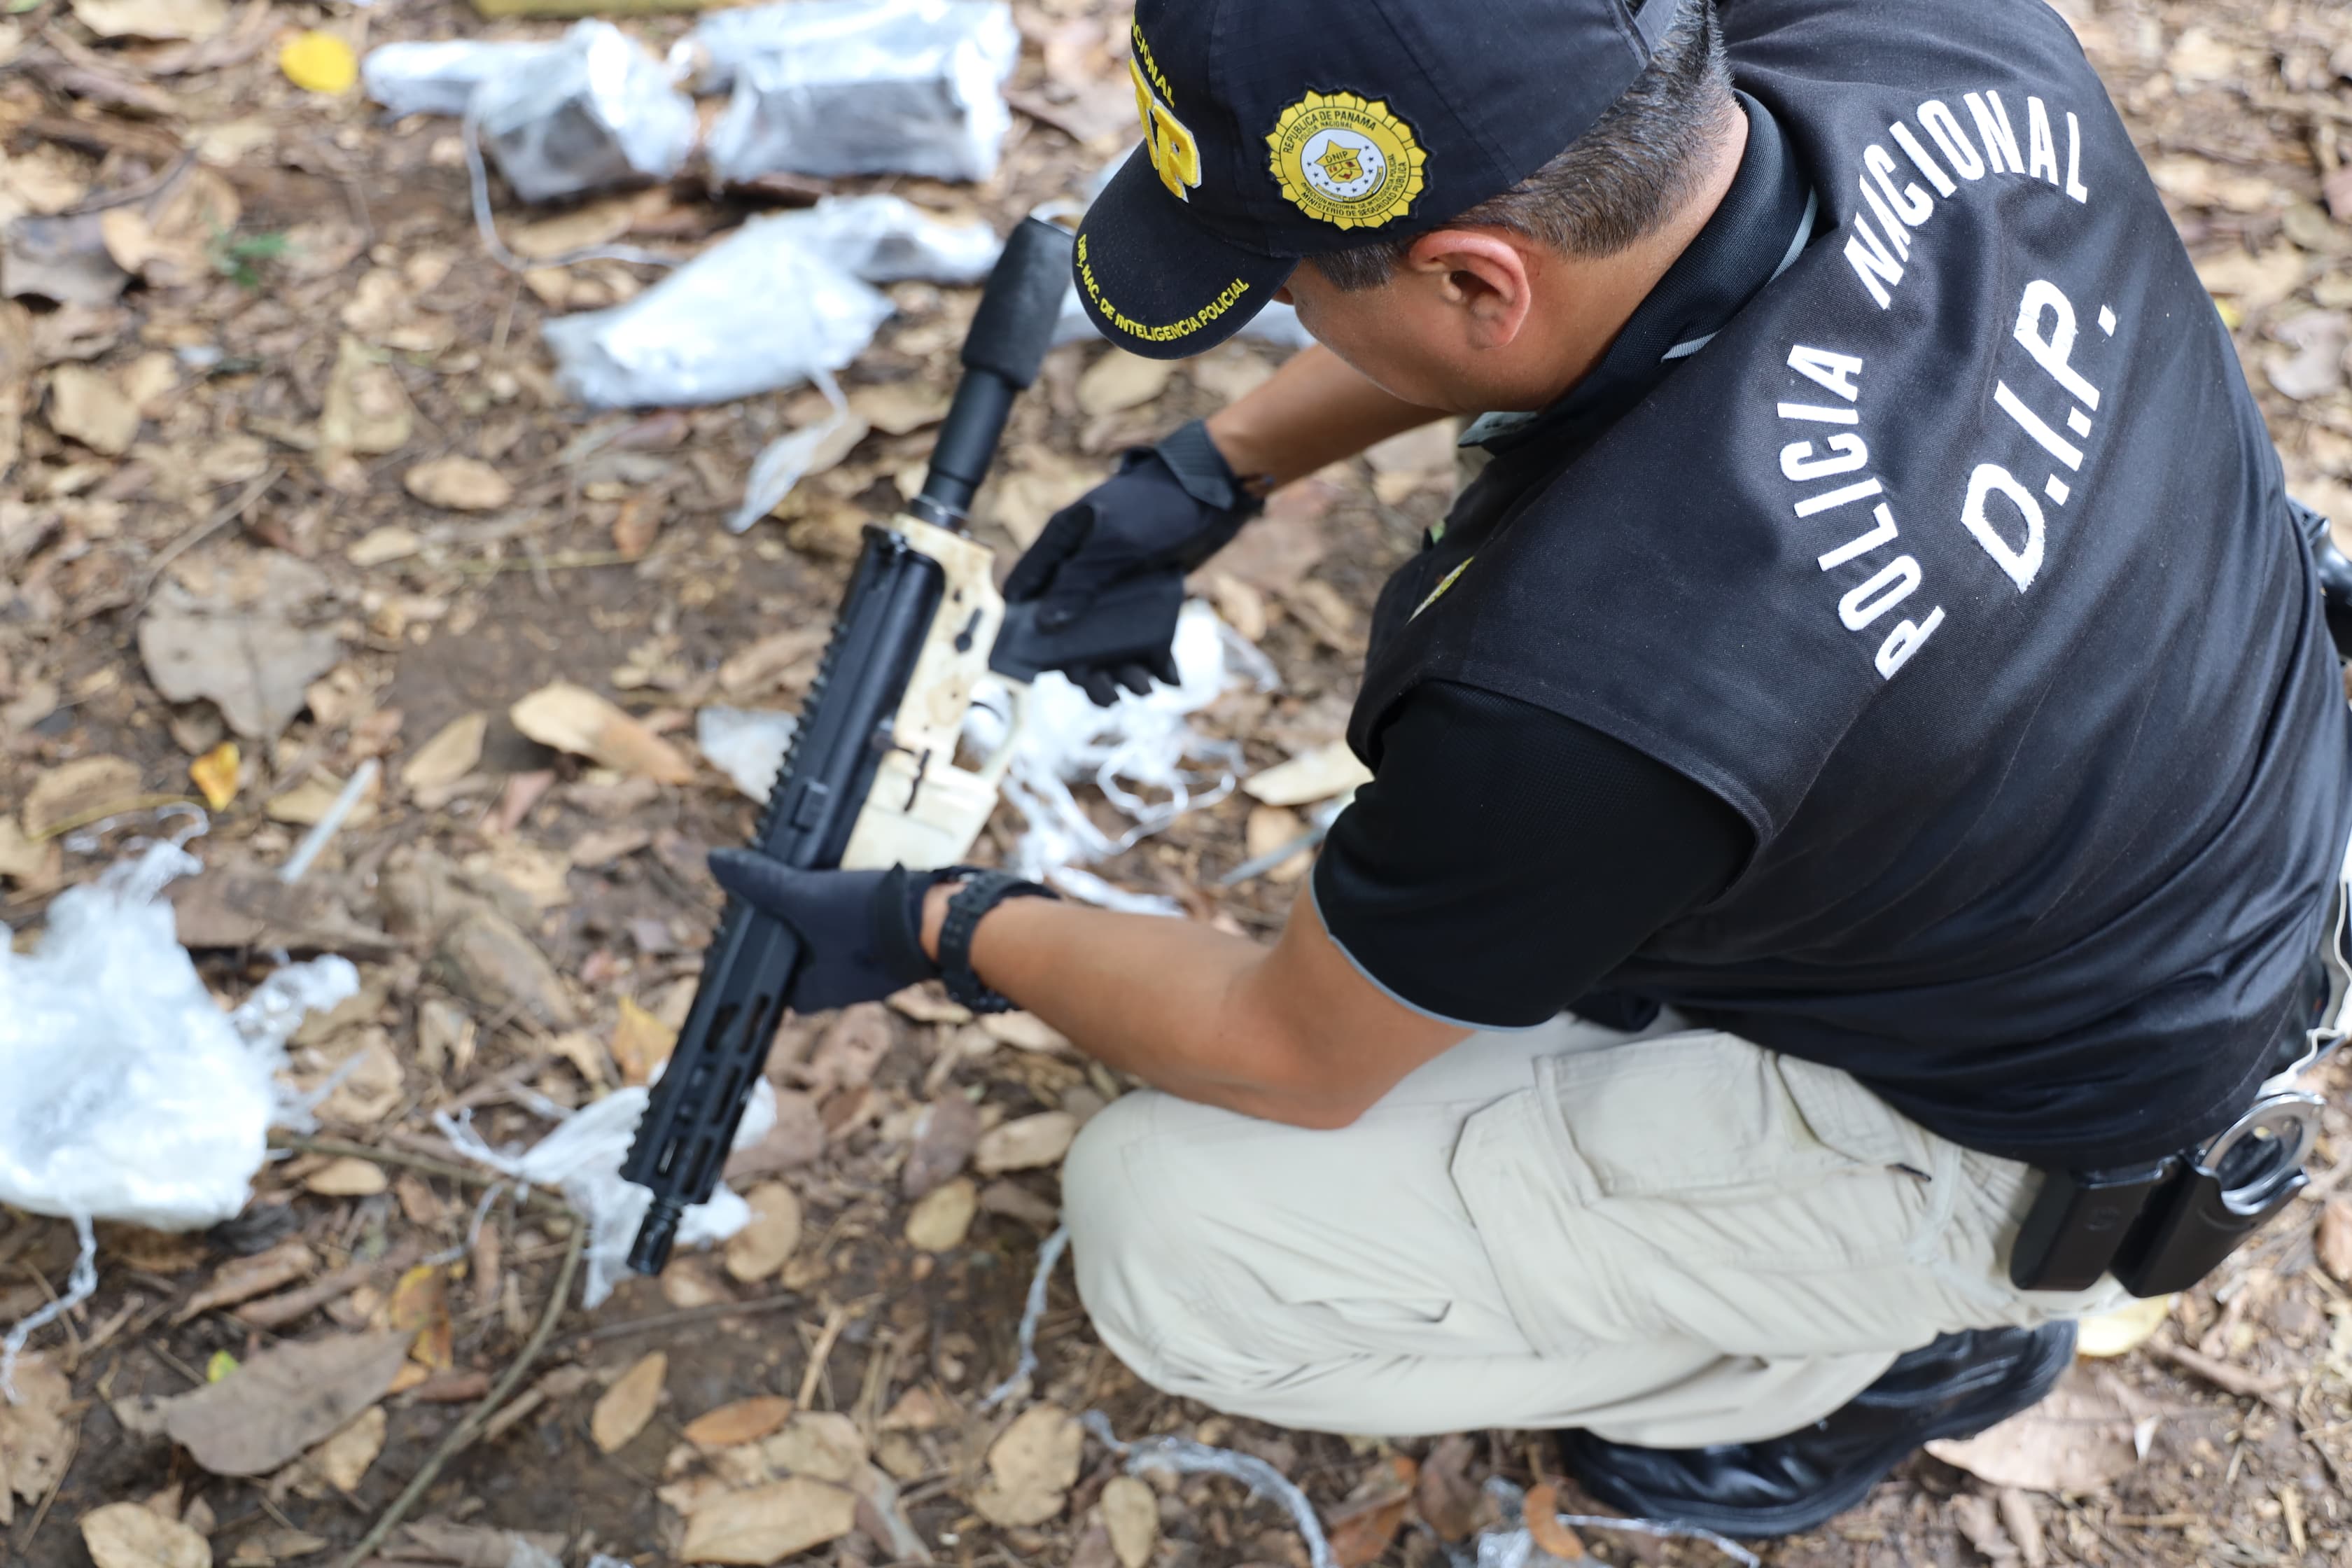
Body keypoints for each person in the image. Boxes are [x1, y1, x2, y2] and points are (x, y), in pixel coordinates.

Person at [709, 0, 2352, 1536]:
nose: (1287, 311)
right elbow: (1573, 273)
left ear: (1477, 285)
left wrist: (946, 920)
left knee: (1168, 1223)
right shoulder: (1935, 33)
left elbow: (1288, 1052)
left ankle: (1884, 1357)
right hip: (2225, 794)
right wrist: (1216, 469)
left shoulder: (1597, 672)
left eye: (1287, 277)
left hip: (2061, 1123)